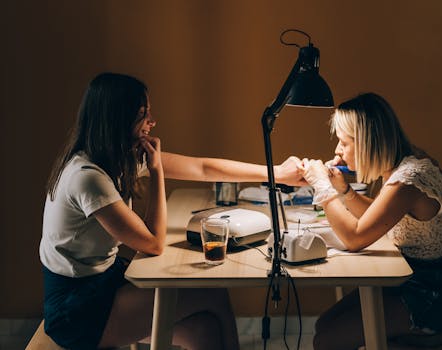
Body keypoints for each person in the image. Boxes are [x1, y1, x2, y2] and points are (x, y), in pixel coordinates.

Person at [40, 72, 304, 350]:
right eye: (143, 114)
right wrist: (156, 171)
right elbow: (154, 243)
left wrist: (276, 174)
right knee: (213, 295)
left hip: (104, 283)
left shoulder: (116, 157)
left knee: (205, 331)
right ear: (117, 119)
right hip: (76, 308)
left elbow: (202, 168)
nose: (152, 122)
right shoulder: (87, 177)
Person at [299, 92, 442, 350]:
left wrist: (322, 187)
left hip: (435, 297)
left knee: (327, 340)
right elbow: (379, 217)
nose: (337, 150)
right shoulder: (402, 163)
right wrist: (344, 191)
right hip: (412, 283)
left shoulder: (410, 178)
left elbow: (356, 238)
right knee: (324, 325)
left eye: (344, 143)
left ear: (368, 142)